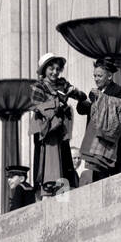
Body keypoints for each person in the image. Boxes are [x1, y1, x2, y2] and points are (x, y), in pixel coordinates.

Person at [30, 53, 85, 191]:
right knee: (48, 163)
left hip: (61, 129)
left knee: (64, 161)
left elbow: (81, 96)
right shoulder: (39, 86)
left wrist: (75, 91)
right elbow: (36, 106)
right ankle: (48, 187)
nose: (55, 72)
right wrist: (56, 103)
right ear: (44, 70)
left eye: (57, 69)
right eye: (51, 69)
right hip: (47, 131)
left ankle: (62, 188)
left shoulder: (62, 83)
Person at [77, 59, 121, 181]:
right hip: (97, 141)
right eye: (95, 76)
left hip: (114, 141)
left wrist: (101, 97)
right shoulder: (94, 94)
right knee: (98, 177)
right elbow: (83, 110)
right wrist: (79, 98)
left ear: (110, 76)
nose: (96, 79)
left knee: (116, 175)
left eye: (99, 76)